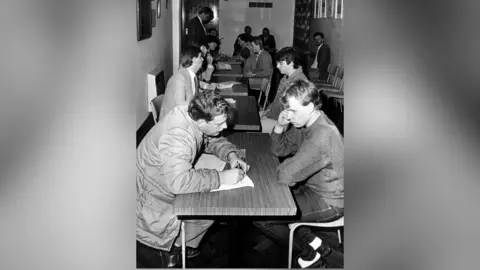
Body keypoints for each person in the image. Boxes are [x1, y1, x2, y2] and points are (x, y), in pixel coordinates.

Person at [137, 92, 249, 268]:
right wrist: (221, 177)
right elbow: (178, 182)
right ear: (202, 121)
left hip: (163, 185)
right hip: (154, 200)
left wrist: (231, 154)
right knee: (207, 210)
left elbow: (211, 139)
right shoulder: (178, 136)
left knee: (209, 210)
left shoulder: (193, 115)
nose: (225, 126)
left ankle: (183, 245)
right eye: (220, 123)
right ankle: (174, 250)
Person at [253, 80, 344, 268]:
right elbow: (279, 150)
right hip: (312, 188)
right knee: (272, 200)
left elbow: (286, 175)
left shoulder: (322, 134)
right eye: (287, 110)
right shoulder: (305, 122)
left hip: (332, 200)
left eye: (293, 110)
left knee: (262, 216)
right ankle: (315, 242)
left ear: (310, 106)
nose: (289, 115)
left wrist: (291, 165)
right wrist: (279, 126)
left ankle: (310, 256)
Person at [260, 47, 308, 133]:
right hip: (276, 116)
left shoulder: (298, 83)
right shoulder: (286, 78)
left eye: (280, 63)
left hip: (287, 126)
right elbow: (276, 102)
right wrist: (267, 112)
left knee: (255, 126)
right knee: (252, 117)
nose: (277, 66)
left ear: (291, 63)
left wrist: (267, 116)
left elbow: (288, 112)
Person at [160, 46, 216, 119]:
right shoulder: (179, 78)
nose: (202, 59)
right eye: (200, 57)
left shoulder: (192, 76)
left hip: (186, 116)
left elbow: (193, 94)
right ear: (194, 60)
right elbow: (180, 109)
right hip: (173, 122)